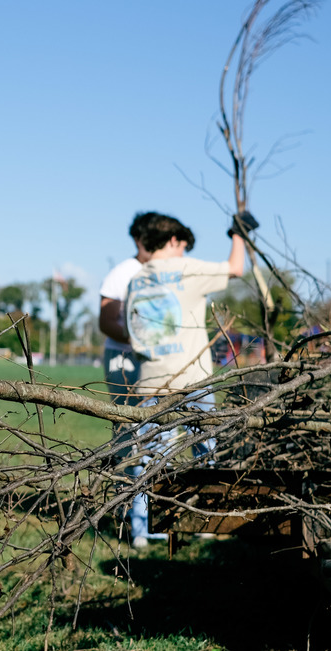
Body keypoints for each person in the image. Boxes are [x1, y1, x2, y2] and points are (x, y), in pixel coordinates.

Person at [121, 211, 256, 546]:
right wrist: (237, 234)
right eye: (181, 244)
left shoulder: (136, 281)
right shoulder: (186, 268)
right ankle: (206, 523)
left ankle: (143, 530)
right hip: (192, 380)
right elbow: (236, 268)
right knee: (204, 453)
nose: (184, 250)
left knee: (149, 457)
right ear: (171, 240)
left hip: (150, 381)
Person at [97, 212, 159, 405]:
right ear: (137, 239)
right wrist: (139, 341)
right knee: (127, 424)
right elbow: (106, 323)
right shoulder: (122, 273)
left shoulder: (167, 271)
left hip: (158, 359)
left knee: (159, 423)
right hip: (122, 357)